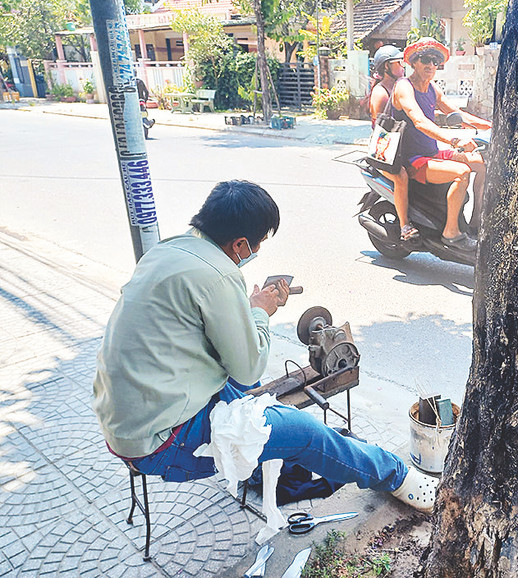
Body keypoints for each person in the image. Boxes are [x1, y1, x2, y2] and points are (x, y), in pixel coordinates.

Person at [92, 180, 437, 513]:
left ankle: (261, 459)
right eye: (257, 244)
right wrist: (260, 313)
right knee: (307, 433)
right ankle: (399, 477)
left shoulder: (169, 250)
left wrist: (247, 306)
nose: (256, 252)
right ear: (239, 244)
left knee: (252, 395)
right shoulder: (220, 276)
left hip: (124, 419)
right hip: (162, 442)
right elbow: (249, 367)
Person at [393, 37, 492, 251]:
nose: (431, 65)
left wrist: (493, 126)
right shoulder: (404, 87)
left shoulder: (432, 88)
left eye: (435, 61)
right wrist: (455, 140)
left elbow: (457, 114)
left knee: (482, 164)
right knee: (462, 172)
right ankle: (451, 232)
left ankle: (475, 222)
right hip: (413, 159)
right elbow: (418, 121)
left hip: (432, 153)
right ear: (413, 62)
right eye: (425, 60)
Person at [369, 45, 417, 242]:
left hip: (401, 146)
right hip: (384, 149)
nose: (402, 66)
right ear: (386, 67)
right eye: (397, 63)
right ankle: (405, 225)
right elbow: (381, 128)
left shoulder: (402, 86)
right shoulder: (381, 92)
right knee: (401, 176)